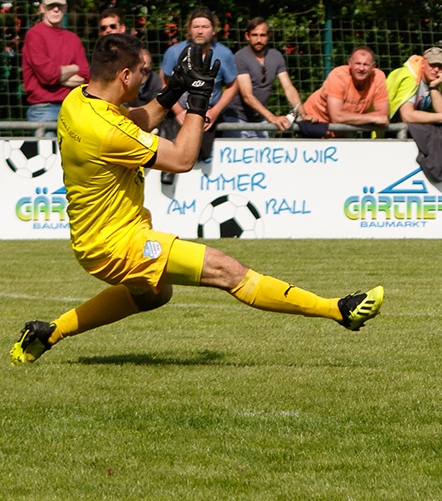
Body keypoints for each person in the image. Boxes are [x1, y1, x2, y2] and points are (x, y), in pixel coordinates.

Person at [10, 34, 384, 366]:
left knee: (154, 297)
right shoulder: (106, 131)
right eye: (143, 72)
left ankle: (48, 333)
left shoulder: (79, 101)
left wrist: (174, 89)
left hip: (96, 240)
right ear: (124, 75)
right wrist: (199, 100)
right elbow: (182, 159)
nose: (147, 78)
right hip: (119, 245)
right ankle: (338, 310)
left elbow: (137, 121)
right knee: (228, 270)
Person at [159, 8, 238, 162]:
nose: (200, 31)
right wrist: (177, 110)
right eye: (196, 27)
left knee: (201, 157)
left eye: (205, 27)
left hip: (206, 115)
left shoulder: (224, 54)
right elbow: (164, 82)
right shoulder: (174, 52)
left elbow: (233, 85)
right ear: (189, 29)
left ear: (213, 30)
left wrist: (214, 112)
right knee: (172, 157)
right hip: (178, 114)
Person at [223, 18, 303, 138]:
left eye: (263, 35)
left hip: (260, 119)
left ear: (269, 36)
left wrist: (302, 113)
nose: (259, 40)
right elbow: (247, 96)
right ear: (247, 36)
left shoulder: (276, 56)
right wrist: (272, 117)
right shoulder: (240, 58)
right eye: (254, 35)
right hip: (237, 118)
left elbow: (288, 88)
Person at [21, 0, 89, 122]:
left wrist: (55, 77)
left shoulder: (73, 39)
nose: (56, 9)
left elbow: (85, 78)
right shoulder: (34, 35)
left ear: (65, 8)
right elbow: (47, 75)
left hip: (73, 108)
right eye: (51, 6)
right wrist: (74, 68)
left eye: (59, 5)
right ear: (42, 8)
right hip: (44, 109)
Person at [301, 46, 390, 132]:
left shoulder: (378, 77)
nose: (361, 68)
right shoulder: (338, 76)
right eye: (357, 63)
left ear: (373, 66)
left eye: (366, 64)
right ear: (349, 63)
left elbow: (383, 115)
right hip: (313, 123)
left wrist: (349, 118)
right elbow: (337, 117)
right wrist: (373, 118)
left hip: (343, 129)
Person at [97, 7, 162, 108]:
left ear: (122, 28)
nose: (108, 30)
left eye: (112, 26)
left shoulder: (134, 55)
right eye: (103, 28)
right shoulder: (98, 59)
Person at [387, 46, 442, 125]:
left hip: (415, 128)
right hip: (391, 127)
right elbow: (407, 116)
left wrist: (434, 87)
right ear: (423, 63)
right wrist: (440, 118)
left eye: (440, 66)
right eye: (432, 64)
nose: (436, 69)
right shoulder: (411, 77)